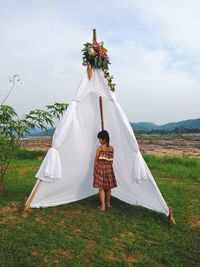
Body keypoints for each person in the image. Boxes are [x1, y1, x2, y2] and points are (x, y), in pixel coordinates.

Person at [93, 130, 117, 212]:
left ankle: (102, 206)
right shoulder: (112, 148)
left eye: (100, 139)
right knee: (109, 187)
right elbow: (111, 160)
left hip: (101, 168)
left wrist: (94, 170)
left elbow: (96, 160)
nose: (99, 141)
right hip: (109, 168)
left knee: (101, 188)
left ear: (104, 139)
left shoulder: (99, 148)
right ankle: (108, 203)